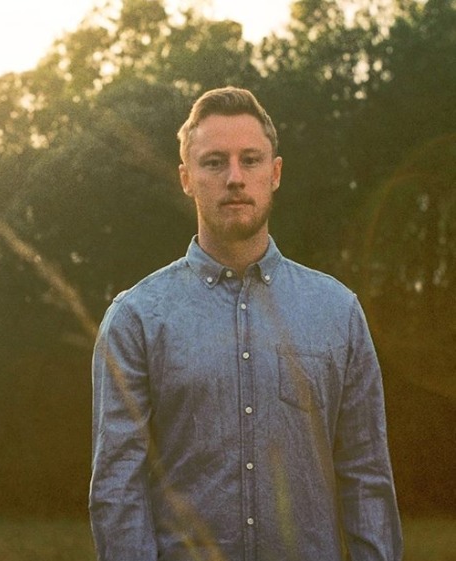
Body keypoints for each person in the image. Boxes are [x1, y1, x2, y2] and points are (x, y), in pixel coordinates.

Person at [89, 86, 402, 560]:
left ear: (274, 173)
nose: (234, 178)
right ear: (187, 178)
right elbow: (117, 489)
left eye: (250, 160)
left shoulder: (338, 312)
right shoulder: (137, 318)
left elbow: (366, 476)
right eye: (214, 162)